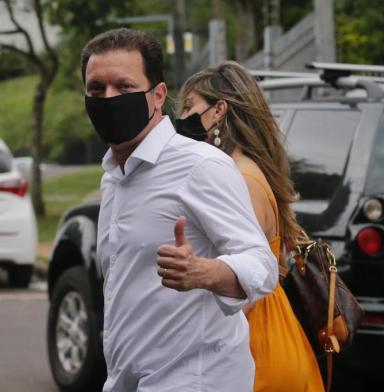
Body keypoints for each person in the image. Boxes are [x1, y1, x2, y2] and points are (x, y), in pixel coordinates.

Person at [81, 29, 278, 392]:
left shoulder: (200, 165)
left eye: (124, 87)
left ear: (158, 95)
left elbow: (262, 265)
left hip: (195, 380)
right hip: (130, 379)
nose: (108, 99)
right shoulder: (113, 177)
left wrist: (207, 271)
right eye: (96, 89)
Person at [176, 60, 325, 392]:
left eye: (190, 107)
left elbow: (249, 283)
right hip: (276, 334)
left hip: (256, 347)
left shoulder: (239, 179)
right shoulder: (250, 170)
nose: (182, 118)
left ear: (219, 111)